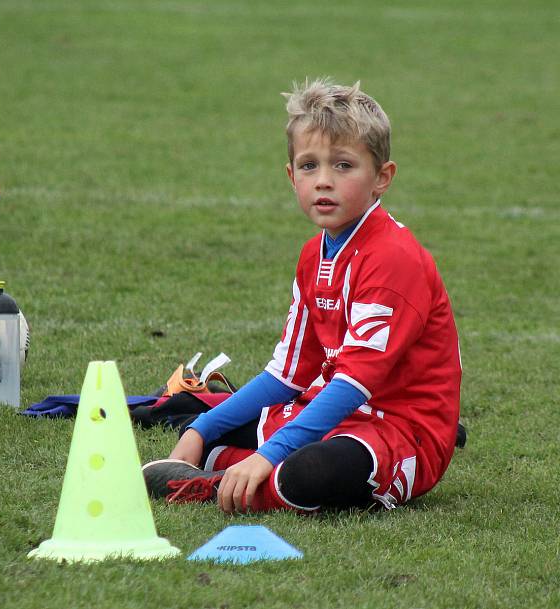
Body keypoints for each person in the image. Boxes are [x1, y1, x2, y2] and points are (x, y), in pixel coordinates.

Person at [143, 79, 462, 513]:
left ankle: (219, 485)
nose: (324, 181)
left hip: (399, 430)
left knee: (313, 473)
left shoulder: (393, 258)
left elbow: (355, 382)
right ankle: (229, 468)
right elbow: (288, 374)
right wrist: (201, 428)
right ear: (292, 176)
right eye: (309, 166)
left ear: (381, 178)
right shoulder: (314, 254)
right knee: (200, 425)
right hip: (335, 412)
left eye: (344, 166)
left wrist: (268, 454)